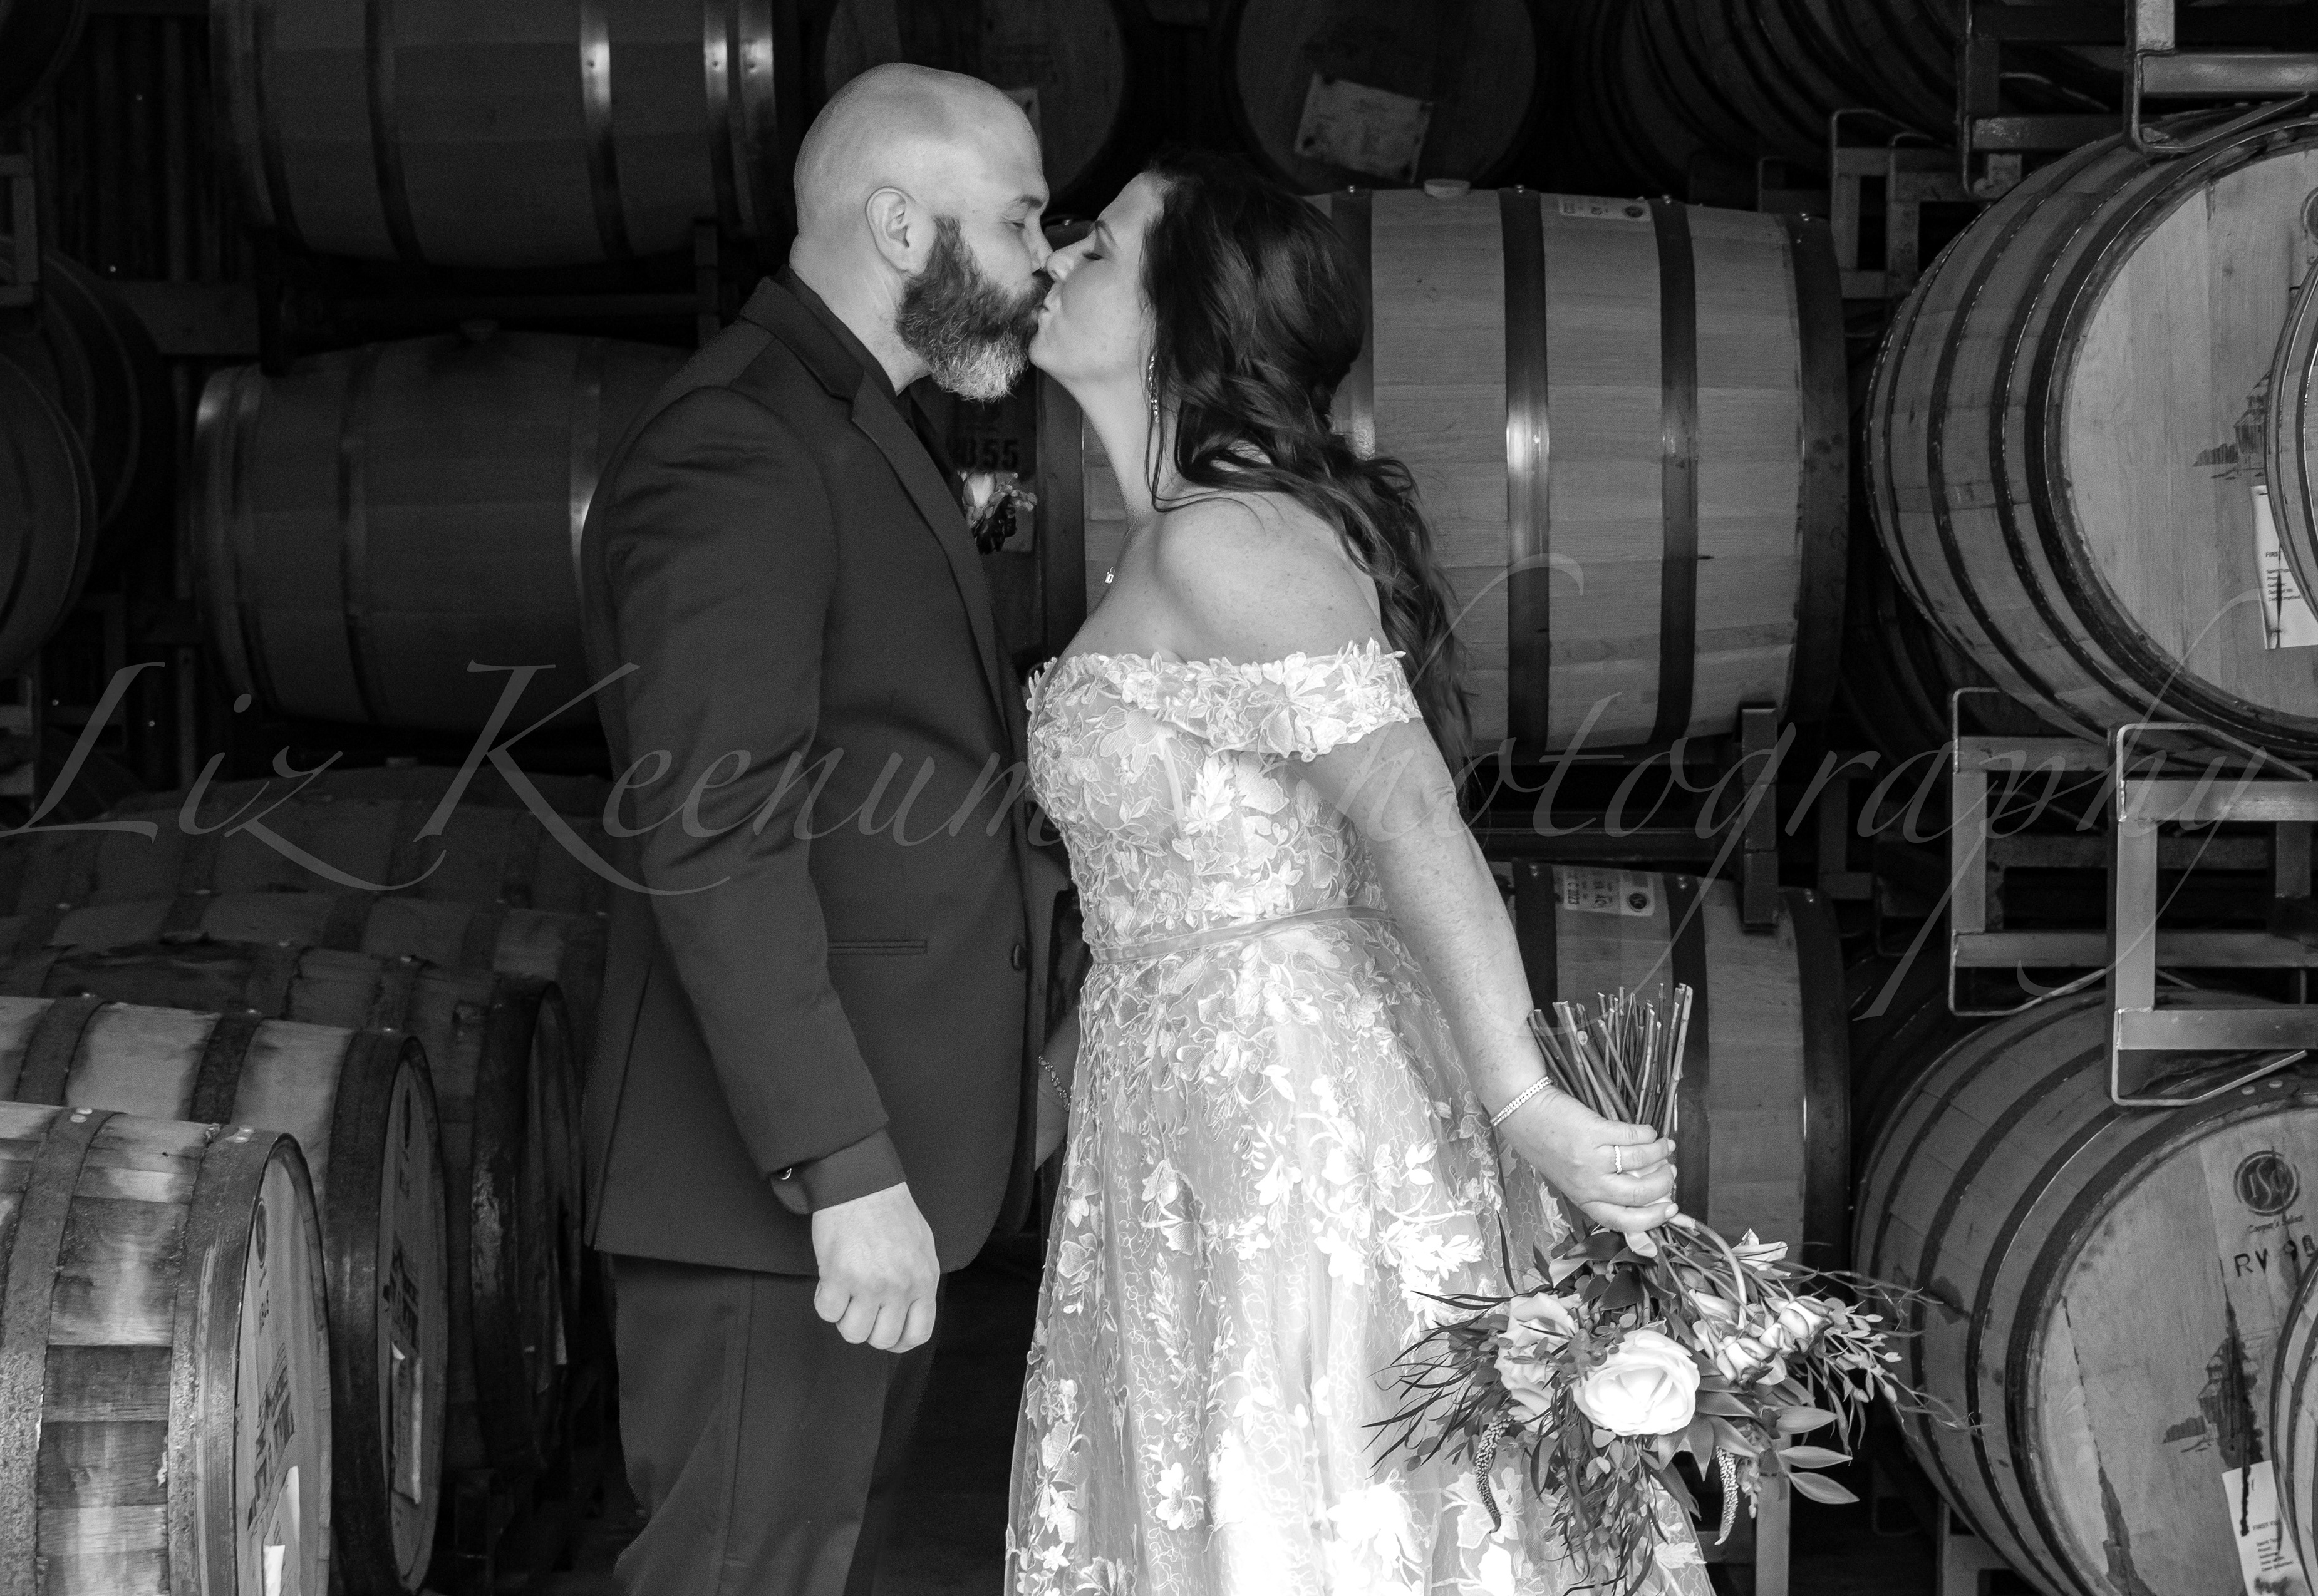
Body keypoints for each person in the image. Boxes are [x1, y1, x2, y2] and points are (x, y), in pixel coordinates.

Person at [1007, 150, 1706, 1595]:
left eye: (1104, 245)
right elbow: (1171, 907)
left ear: (1189, 317)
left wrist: (1524, 1105)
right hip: (1180, 1104)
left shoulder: (1226, 542)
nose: (1059, 258)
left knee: (1312, 1494)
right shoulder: (1185, 540)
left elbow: (1407, 815)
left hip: (1286, 1099)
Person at [574, 64, 1081, 1596]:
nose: (1046, 259)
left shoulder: (851, 418)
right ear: (902, 227)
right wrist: (844, 1168)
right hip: (779, 1190)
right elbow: (716, 832)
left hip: (864, 1169)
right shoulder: (742, 441)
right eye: (1021, 219)